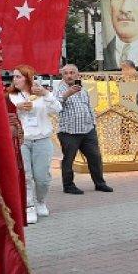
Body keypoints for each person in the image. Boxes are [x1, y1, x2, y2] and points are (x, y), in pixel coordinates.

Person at [8, 65, 61, 222]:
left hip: (42, 140)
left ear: (28, 77)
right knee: (26, 175)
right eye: (14, 76)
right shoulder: (11, 95)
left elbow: (57, 108)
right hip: (22, 140)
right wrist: (16, 107)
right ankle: (29, 206)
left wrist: (45, 93)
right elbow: (5, 113)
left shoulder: (41, 93)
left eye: (18, 76)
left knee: (42, 177)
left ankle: (40, 201)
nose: (14, 79)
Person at [57, 64, 113, 195]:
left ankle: (100, 183)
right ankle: (68, 185)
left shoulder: (82, 89)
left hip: (87, 131)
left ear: (78, 75)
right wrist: (67, 94)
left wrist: (93, 124)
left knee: (95, 157)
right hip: (69, 132)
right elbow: (55, 105)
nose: (69, 75)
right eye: (66, 73)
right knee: (68, 159)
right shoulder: (58, 89)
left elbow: (89, 107)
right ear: (63, 75)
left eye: (72, 73)